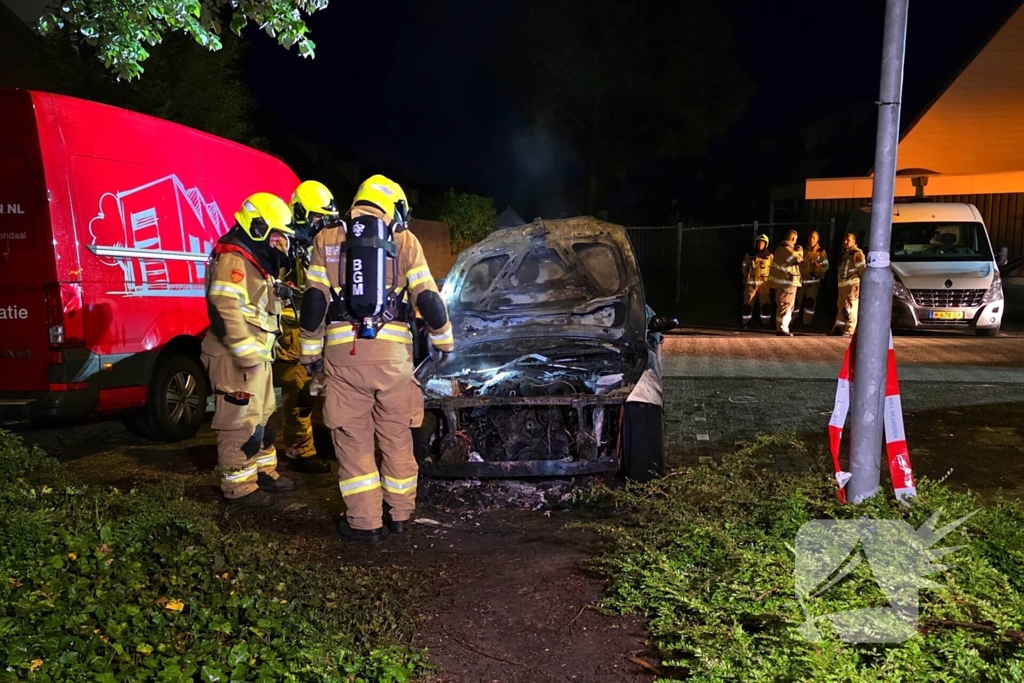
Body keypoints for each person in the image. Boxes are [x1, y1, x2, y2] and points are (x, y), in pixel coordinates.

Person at [299, 175, 455, 542]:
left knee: (353, 442)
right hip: (392, 360)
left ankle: (364, 522)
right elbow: (428, 298)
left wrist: (309, 354)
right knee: (397, 437)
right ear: (395, 206)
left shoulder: (327, 239)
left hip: (343, 358)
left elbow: (314, 302)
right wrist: (444, 342)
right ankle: (400, 515)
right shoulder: (404, 240)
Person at [202, 193, 297, 506]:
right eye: (277, 237)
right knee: (239, 421)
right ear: (258, 227)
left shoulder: (251, 260)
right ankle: (238, 486)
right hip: (236, 357)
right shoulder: (233, 259)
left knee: (264, 417)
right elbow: (224, 304)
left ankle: (263, 471)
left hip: (256, 355)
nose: (280, 244)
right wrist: (245, 351)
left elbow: (254, 303)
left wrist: (279, 293)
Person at [274, 180, 339, 475]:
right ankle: (300, 450)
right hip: (292, 332)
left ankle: (315, 443)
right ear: (299, 212)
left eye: (322, 219)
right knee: (298, 390)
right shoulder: (283, 245)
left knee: (316, 389)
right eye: (315, 218)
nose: (319, 224)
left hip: (312, 329)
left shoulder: (316, 245)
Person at [831, 232, 867, 337]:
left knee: (850, 310)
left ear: (854, 242)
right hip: (843, 287)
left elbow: (862, 271)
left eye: (848, 240)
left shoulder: (857, 254)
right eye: (845, 240)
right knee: (841, 309)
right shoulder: (846, 254)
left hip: (852, 288)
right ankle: (839, 328)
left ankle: (849, 331)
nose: (846, 242)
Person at [769, 229, 804, 336]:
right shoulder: (785, 249)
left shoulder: (783, 249)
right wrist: (800, 251)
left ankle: (783, 328)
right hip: (786, 283)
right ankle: (782, 328)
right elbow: (797, 259)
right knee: (785, 306)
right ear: (793, 238)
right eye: (795, 239)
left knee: (786, 306)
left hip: (786, 283)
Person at [795, 230, 829, 327]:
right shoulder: (803, 251)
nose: (811, 240)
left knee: (809, 304)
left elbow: (826, 266)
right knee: (796, 303)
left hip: (812, 284)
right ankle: (794, 321)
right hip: (800, 282)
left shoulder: (821, 253)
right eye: (810, 237)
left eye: (814, 238)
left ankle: (807, 323)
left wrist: (819, 270)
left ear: (817, 239)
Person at [740, 233, 773, 328]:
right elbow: (744, 266)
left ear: (766, 244)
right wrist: (746, 275)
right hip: (750, 284)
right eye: (759, 243)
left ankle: (766, 323)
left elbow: (774, 269)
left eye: (762, 243)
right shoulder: (749, 255)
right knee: (747, 305)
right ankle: (745, 323)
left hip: (764, 285)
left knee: (765, 306)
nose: (760, 245)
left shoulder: (770, 256)